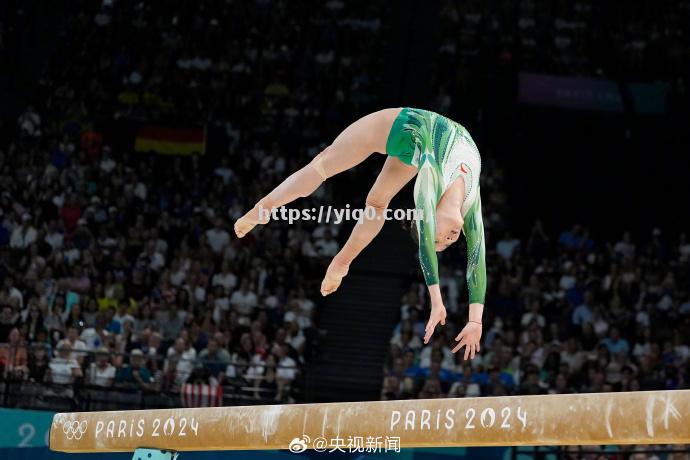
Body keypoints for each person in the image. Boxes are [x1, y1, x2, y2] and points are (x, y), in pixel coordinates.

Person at [234, 108, 486, 359]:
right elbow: (475, 258)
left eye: (440, 241)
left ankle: (342, 261)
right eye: (445, 241)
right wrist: (448, 306)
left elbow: (466, 260)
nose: (451, 239)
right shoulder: (467, 201)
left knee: (376, 205)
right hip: (395, 125)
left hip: (419, 144)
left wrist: (471, 319)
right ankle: (262, 209)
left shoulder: (429, 186)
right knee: (320, 168)